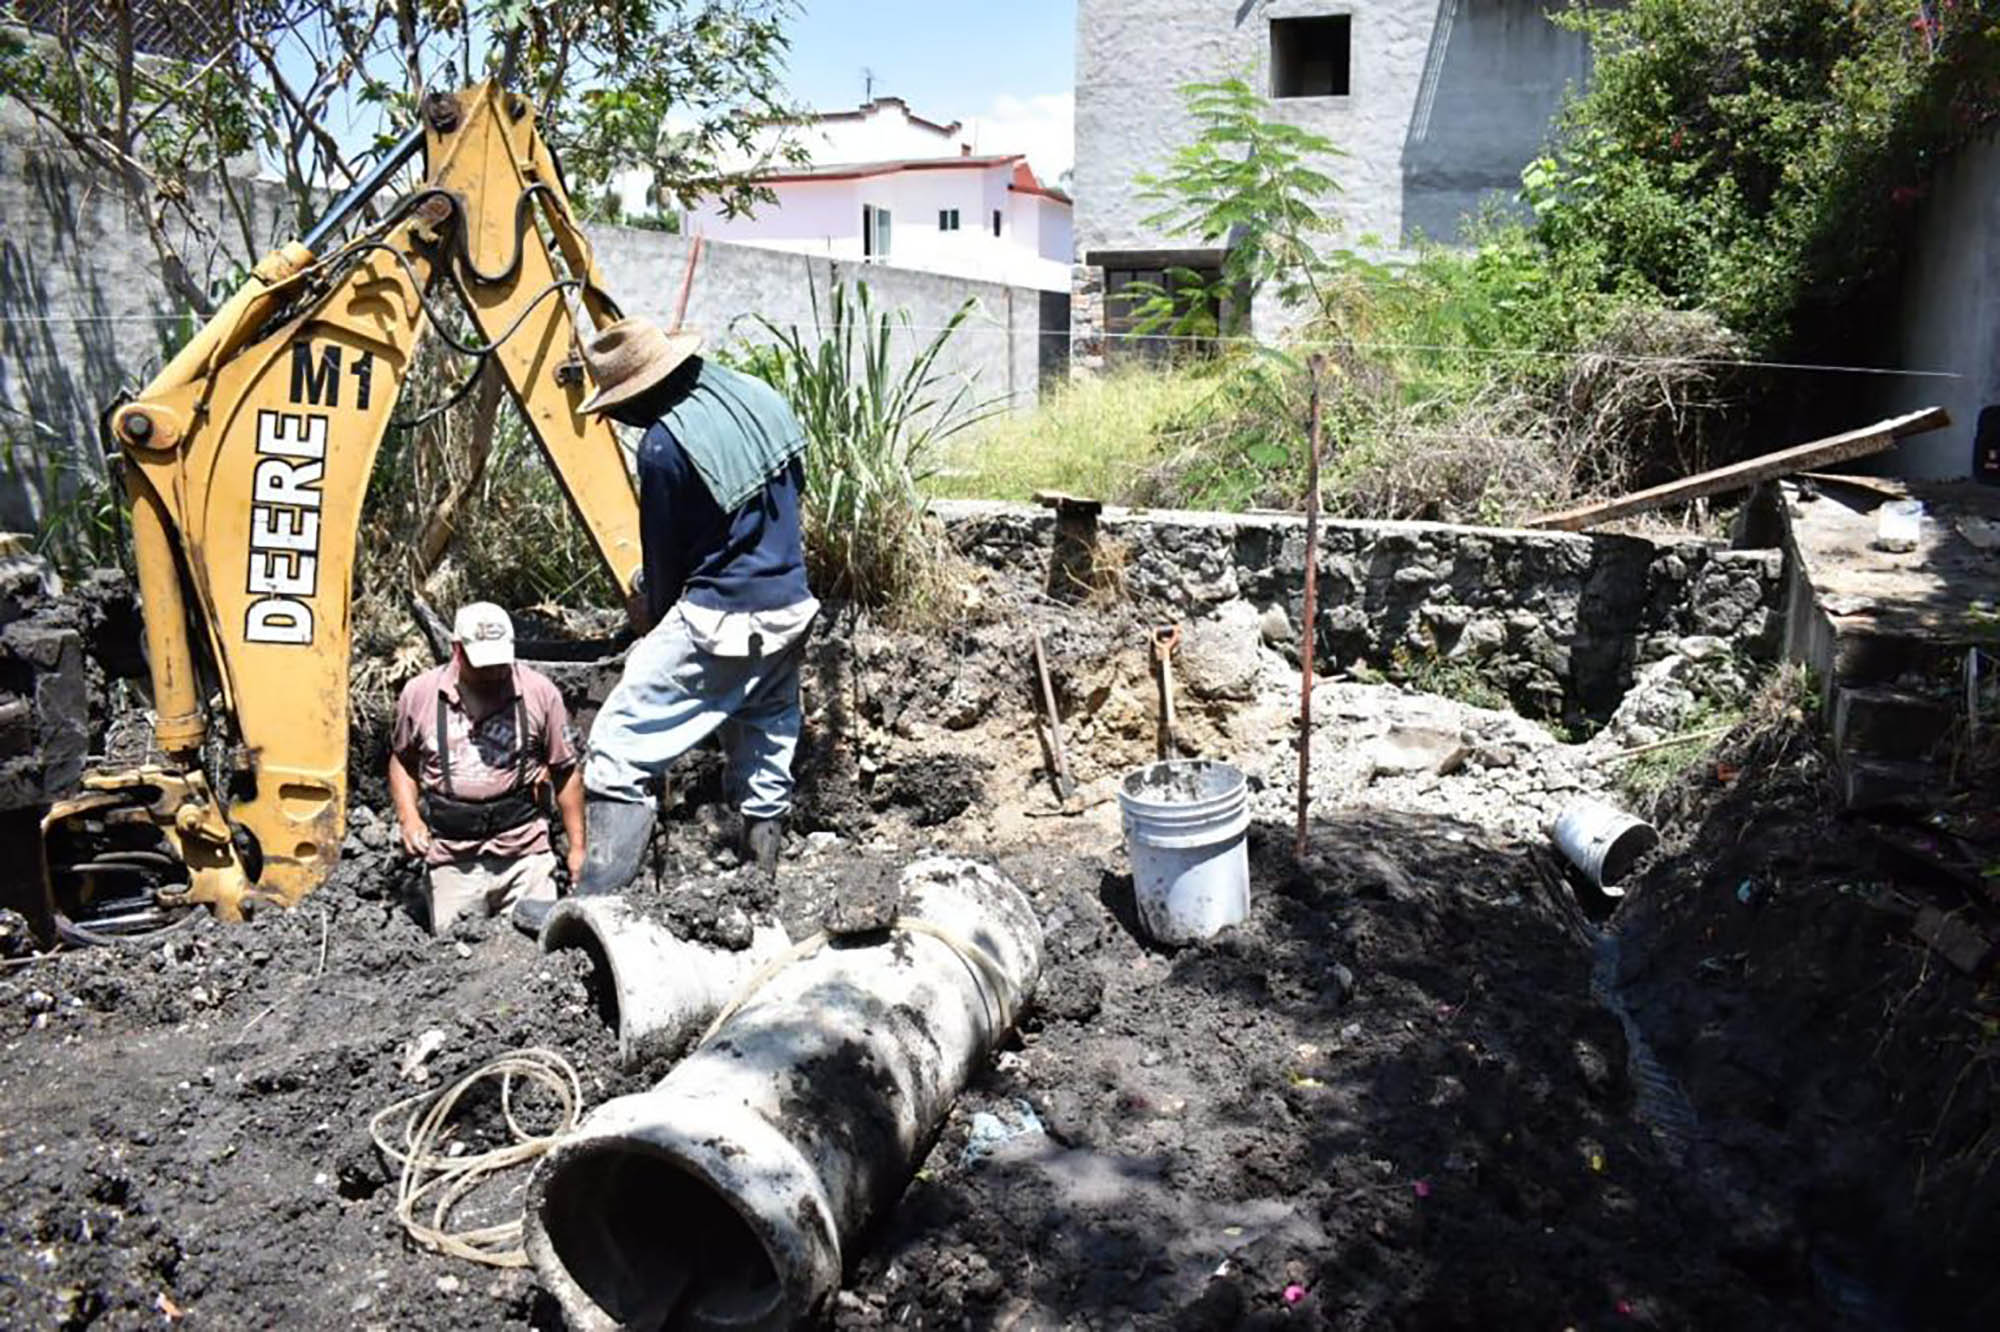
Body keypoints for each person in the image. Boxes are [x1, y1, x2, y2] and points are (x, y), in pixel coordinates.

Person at [512, 317, 816, 933]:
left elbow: (666, 566)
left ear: (642, 391)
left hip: (722, 615)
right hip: (790, 606)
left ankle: (589, 905)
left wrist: (649, 612)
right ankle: (761, 888)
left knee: (619, 747)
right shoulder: (758, 397)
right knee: (764, 740)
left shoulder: (663, 446)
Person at [388, 602, 585, 934]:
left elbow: (565, 771)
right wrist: (409, 817)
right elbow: (402, 761)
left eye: (499, 662)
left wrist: (578, 848)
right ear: (456, 650)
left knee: (536, 955)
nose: (494, 672)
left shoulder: (538, 693)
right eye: (483, 664)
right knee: (458, 956)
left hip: (525, 853)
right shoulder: (420, 695)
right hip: (453, 856)